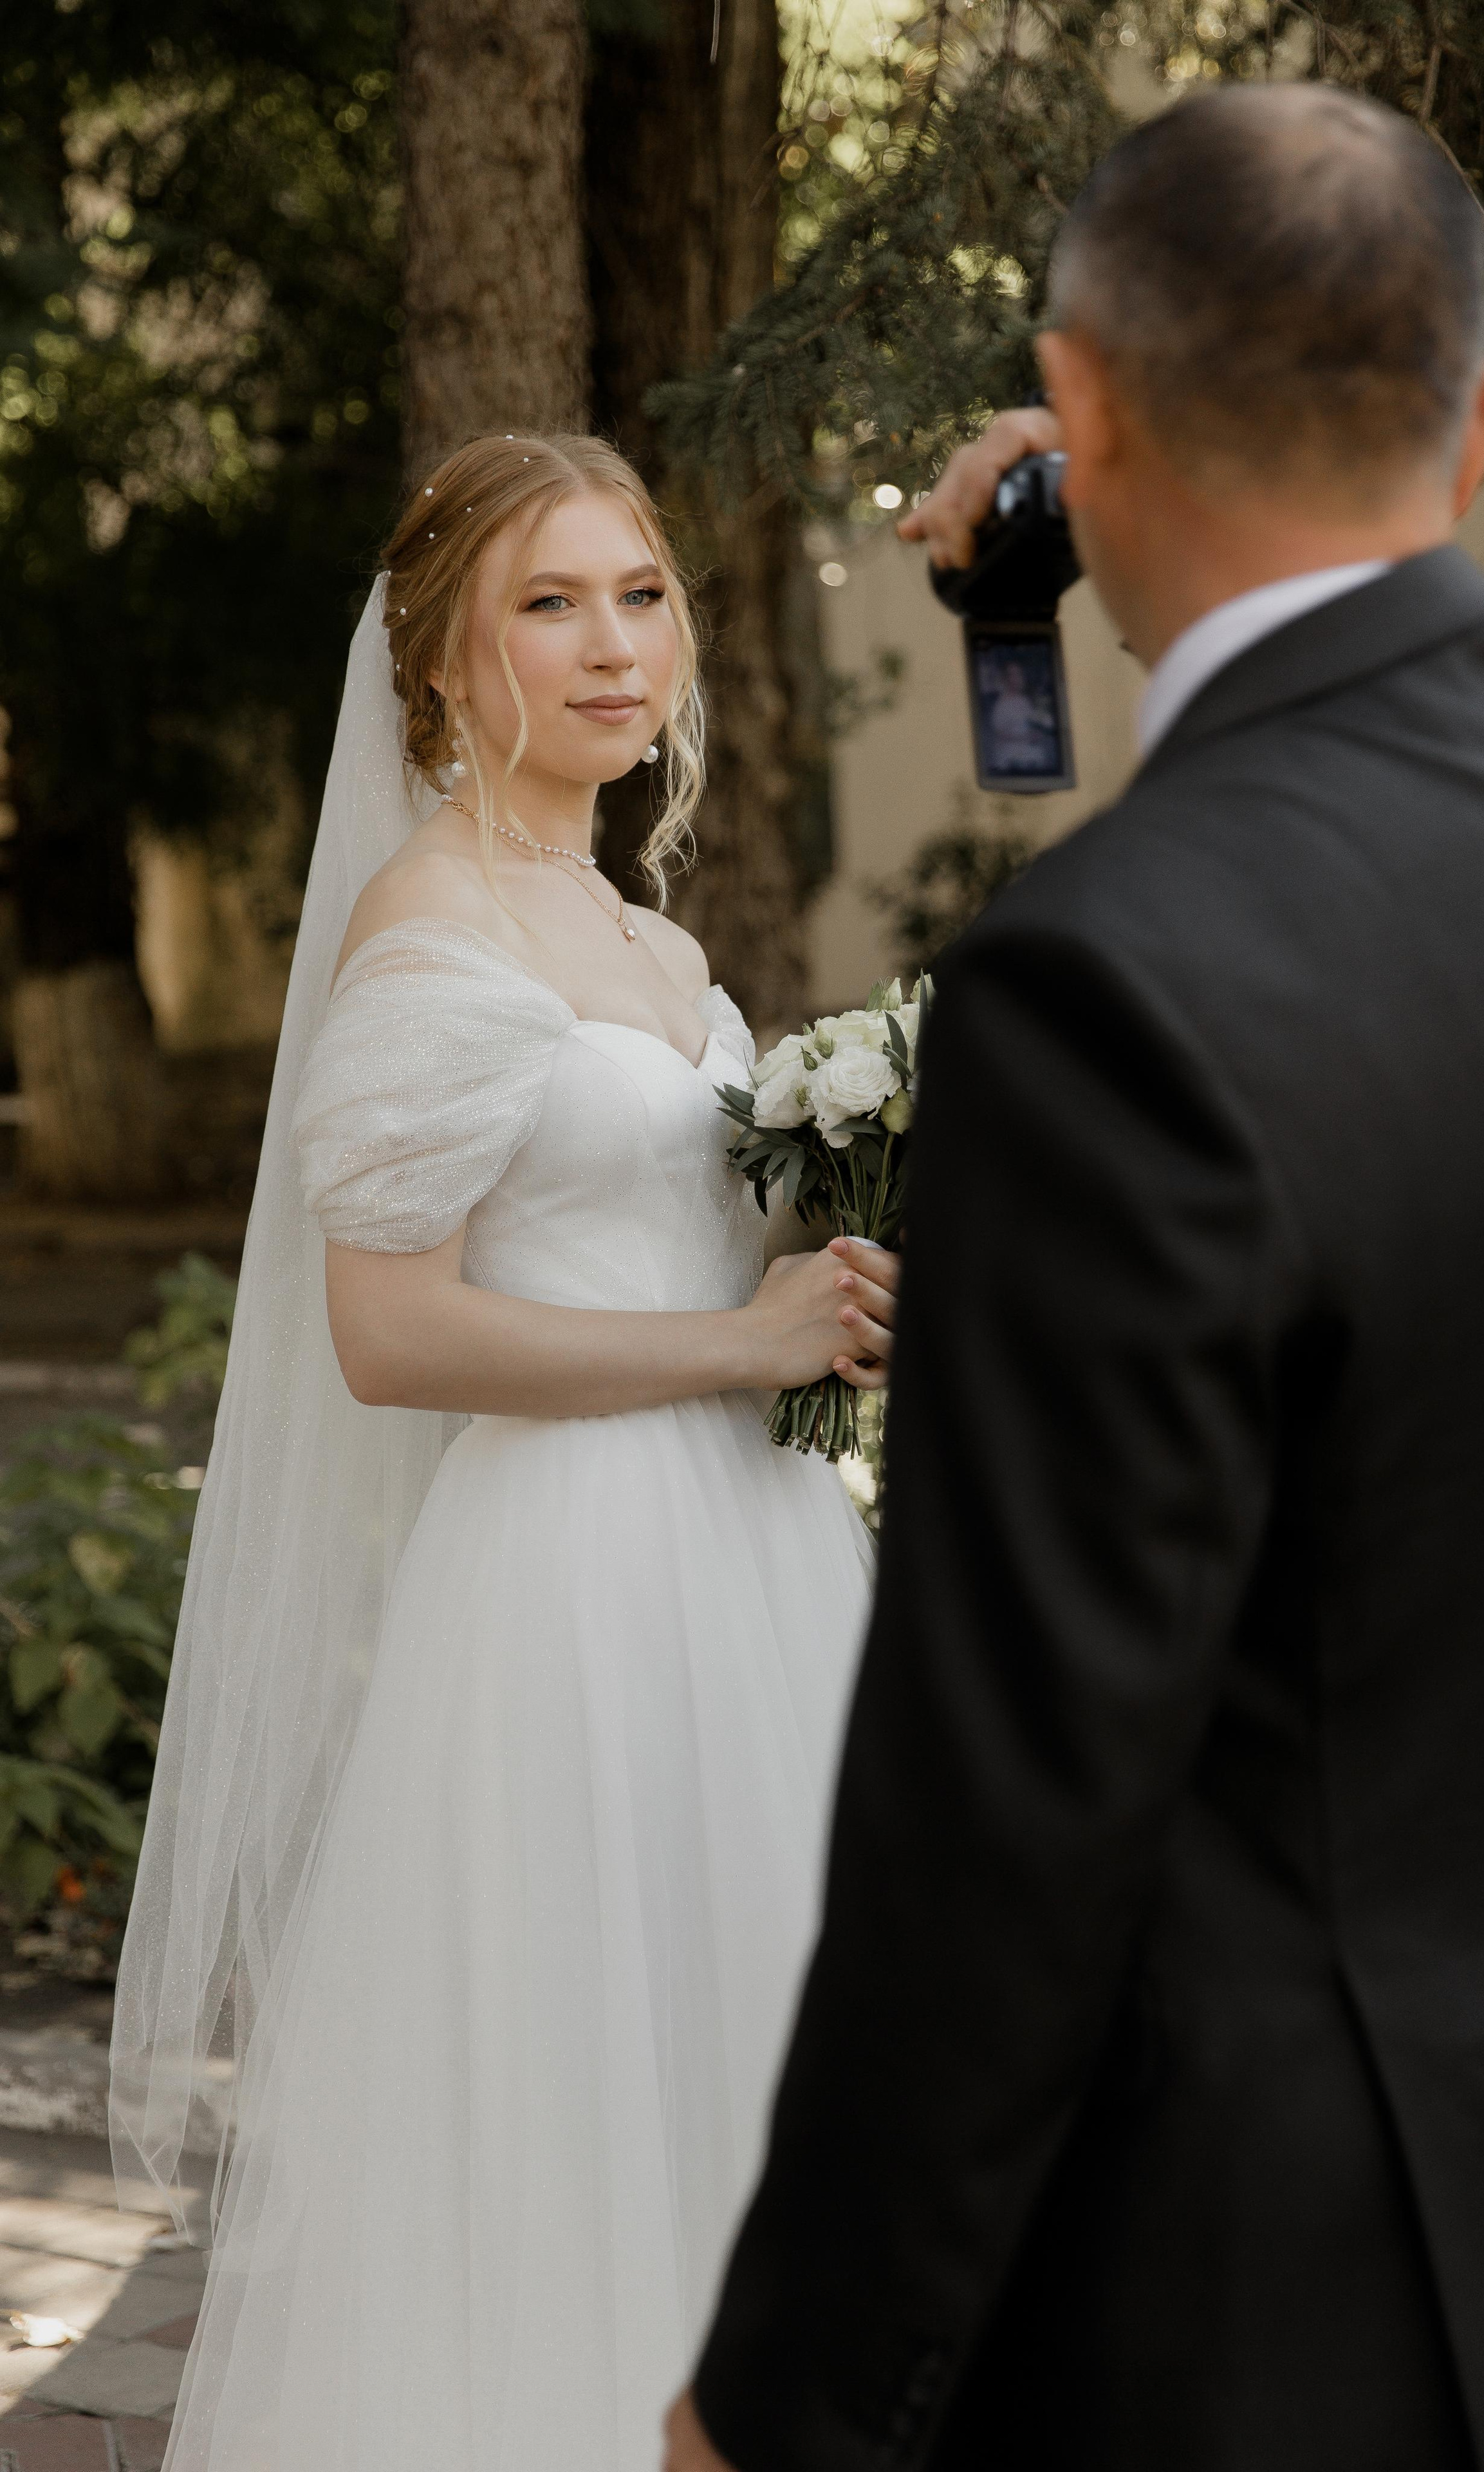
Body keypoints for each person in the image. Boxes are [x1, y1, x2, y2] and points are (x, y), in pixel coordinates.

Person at [666, 82, 1484, 2472]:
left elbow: (1002, 1819)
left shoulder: (1105, 990)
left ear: (1073, 413)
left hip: (1312, 2302)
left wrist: (785, 2409)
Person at [110, 431, 904, 2469]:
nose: (613, 646)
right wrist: (731, 1339)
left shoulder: (653, 943)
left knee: (764, 2067)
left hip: (756, 1569)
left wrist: (827, 1293)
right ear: (448, 665)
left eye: (639, 595)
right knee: (583, 2084)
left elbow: (678, 1248)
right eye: (547, 603)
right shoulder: (430, 923)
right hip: (565, 1589)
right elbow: (389, 1332)